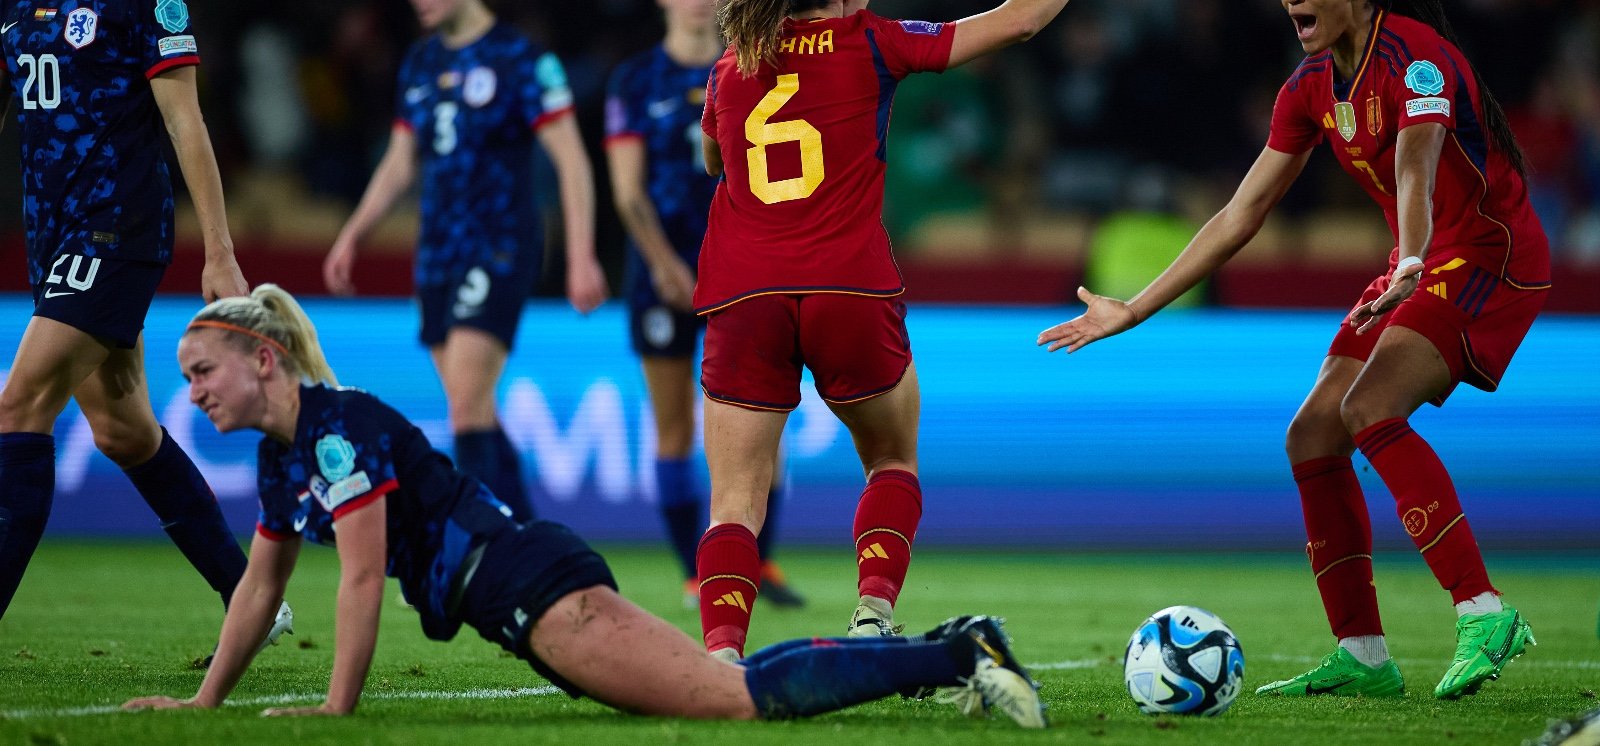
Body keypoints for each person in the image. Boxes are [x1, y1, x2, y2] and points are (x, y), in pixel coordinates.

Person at [121, 285, 1046, 728]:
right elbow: (256, 589)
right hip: (525, 596)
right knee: (722, 691)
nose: (194, 393)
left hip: (533, 588)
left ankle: (959, 650)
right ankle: (949, 650)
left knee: (734, 702)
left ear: (263, 359)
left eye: (202, 371)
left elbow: (361, 580)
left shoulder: (333, 432)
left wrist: (335, 710)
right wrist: (204, 703)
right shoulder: (292, 460)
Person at [1038, 0, 1548, 701]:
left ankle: (1483, 610)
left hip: (1485, 256)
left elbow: (1417, 167)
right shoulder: (1311, 87)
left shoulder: (1418, 61)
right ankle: (1364, 657)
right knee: (1312, 434)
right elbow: (1240, 214)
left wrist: (1413, 254)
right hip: (1416, 261)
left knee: (1371, 406)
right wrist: (1134, 309)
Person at [692, 0, 1144, 659]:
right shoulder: (873, 40)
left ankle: (721, 656)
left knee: (735, 501)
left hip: (744, 292)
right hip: (847, 285)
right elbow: (1020, 21)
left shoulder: (733, 66)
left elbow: (714, 159)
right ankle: (872, 614)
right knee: (892, 458)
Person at [0, 0, 291, 648]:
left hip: (117, 228)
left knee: (19, 406)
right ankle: (253, 601)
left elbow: (185, 124)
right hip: (52, 234)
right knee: (125, 431)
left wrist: (221, 254)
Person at [323, 0, 608, 520]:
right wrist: (353, 235)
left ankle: (475, 545)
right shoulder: (421, 62)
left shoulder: (521, 58)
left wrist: (582, 255)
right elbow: (401, 162)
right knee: (470, 404)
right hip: (438, 253)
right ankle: (530, 538)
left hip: (499, 245)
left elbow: (572, 162)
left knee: (467, 405)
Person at [604, 0, 803, 610]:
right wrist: (664, 266)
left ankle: (760, 564)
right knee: (676, 430)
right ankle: (695, 571)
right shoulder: (635, 81)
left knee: (761, 423)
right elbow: (628, 192)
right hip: (664, 276)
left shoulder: (755, 67)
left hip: (745, 273)